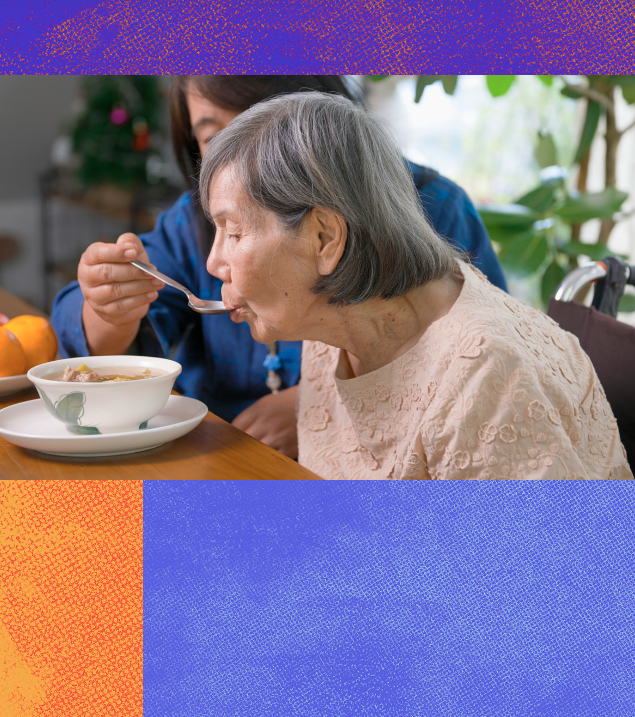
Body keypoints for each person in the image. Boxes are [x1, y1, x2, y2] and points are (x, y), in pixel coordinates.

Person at [50, 76, 507, 459]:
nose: (236, 159)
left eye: (259, 125)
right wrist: (111, 306)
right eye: (213, 138)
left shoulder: (432, 210)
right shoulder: (189, 224)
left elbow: (473, 366)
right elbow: (88, 339)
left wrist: (321, 405)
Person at [200, 92, 631, 479]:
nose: (213, 262)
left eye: (233, 232)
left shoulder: (485, 381)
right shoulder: (332, 326)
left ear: (324, 239)